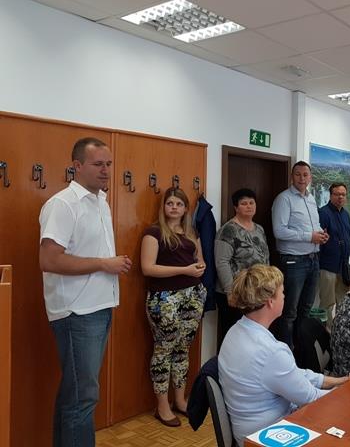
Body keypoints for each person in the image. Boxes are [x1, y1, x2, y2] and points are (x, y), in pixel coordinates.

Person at [39, 137, 132, 447]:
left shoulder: (100, 201)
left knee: (75, 394)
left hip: (99, 308)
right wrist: (104, 263)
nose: (106, 170)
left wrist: (108, 265)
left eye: (108, 164)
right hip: (76, 313)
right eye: (98, 164)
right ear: (77, 166)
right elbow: (49, 260)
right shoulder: (63, 204)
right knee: (83, 398)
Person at [218, 264, 350, 446]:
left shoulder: (236, 331)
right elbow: (310, 398)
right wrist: (347, 392)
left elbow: (292, 374)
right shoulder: (270, 352)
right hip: (268, 435)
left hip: (247, 429)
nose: (284, 296)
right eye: (282, 292)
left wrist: (337, 381)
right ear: (270, 302)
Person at [141, 188, 207, 427]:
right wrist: (184, 270)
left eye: (179, 204)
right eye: (170, 203)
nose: (174, 208)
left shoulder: (191, 232)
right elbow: (148, 268)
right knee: (164, 350)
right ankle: (162, 406)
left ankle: (180, 400)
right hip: (164, 299)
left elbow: (200, 260)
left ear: (185, 208)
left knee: (182, 349)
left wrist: (199, 267)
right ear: (164, 207)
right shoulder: (154, 233)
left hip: (193, 295)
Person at [271, 161, 328, 347]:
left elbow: (313, 226)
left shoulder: (311, 199)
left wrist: (320, 235)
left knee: (306, 310)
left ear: (310, 177)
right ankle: (287, 353)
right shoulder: (284, 199)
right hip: (293, 262)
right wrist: (309, 236)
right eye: (298, 174)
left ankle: (303, 352)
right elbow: (279, 231)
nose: (302, 178)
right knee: (289, 312)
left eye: (305, 174)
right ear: (292, 176)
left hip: (313, 259)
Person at [215, 188, 270, 349]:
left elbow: (265, 257)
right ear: (236, 207)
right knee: (233, 337)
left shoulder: (259, 229)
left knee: (252, 337)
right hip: (235, 292)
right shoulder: (228, 230)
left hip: (256, 291)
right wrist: (230, 292)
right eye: (244, 203)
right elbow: (221, 262)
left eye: (251, 203)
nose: (249, 206)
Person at [318, 182, 350, 329]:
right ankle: (325, 334)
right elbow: (319, 241)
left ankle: (340, 332)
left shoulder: (346, 214)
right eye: (337, 194)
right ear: (330, 195)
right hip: (328, 267)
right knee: (327, 303)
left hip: (343, 267)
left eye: (343, 194)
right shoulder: (323, 213)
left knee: (343, 302)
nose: (340, 197)